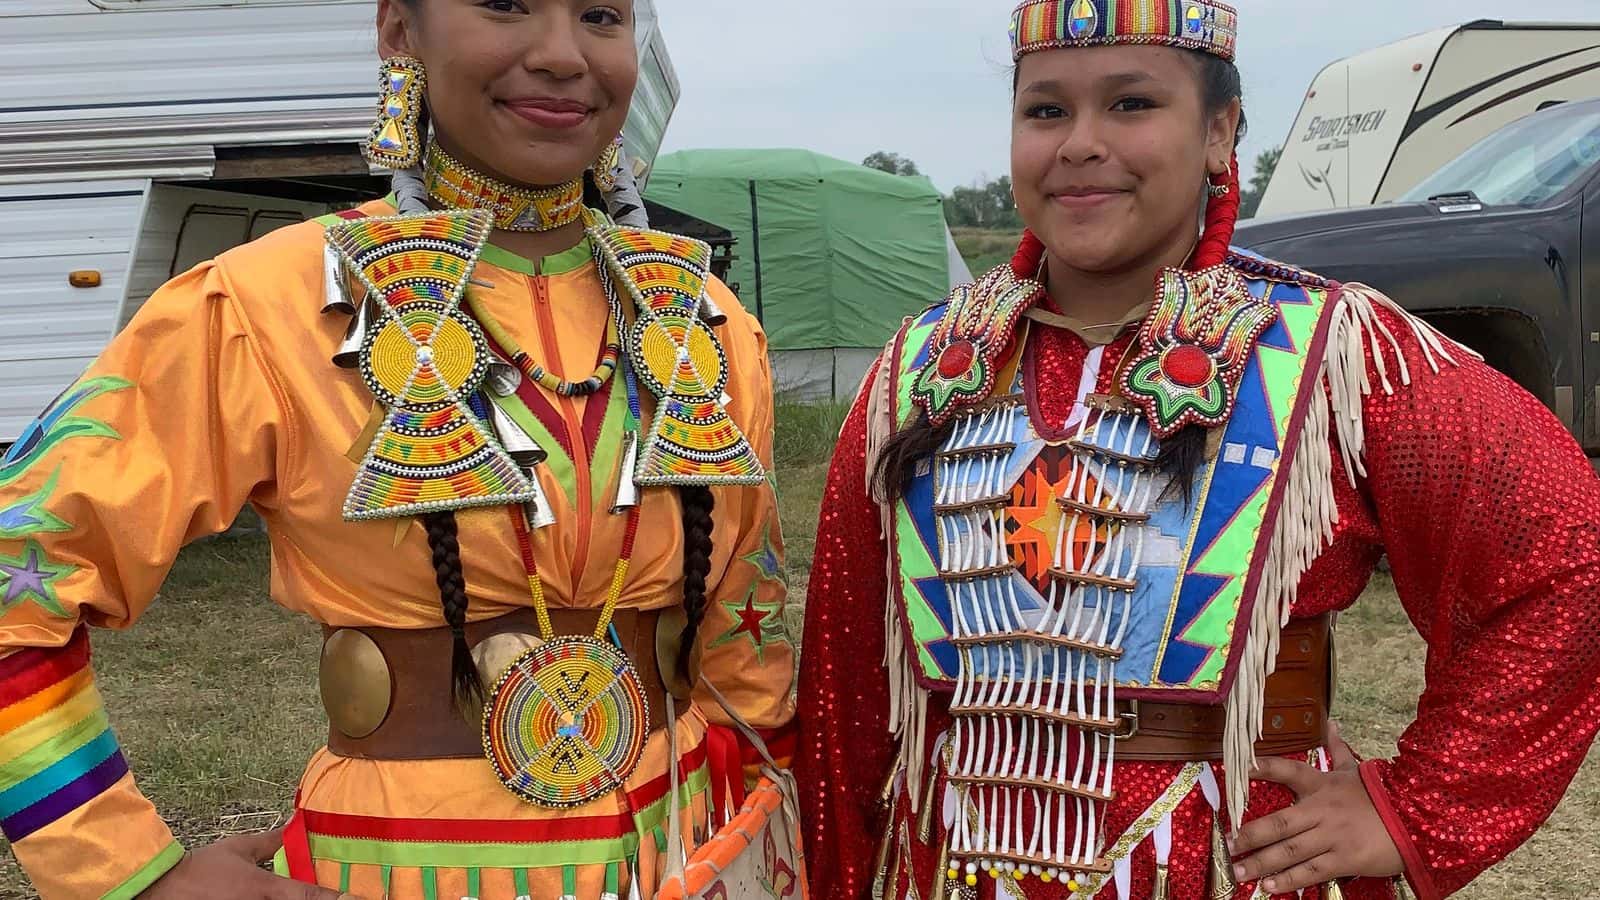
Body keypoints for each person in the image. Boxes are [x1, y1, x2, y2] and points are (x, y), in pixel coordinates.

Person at [795, 2, 1600, 899]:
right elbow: (846, 697)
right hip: (952, 863)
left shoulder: (1331, 357)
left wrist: (1418, 808)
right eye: (1046, 110)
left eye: (1133, 104)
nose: (1080, 144)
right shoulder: (919, 374)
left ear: (1220, 132)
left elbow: (1563, 560)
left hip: (1225, 863)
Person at [0, 1, 799, 897]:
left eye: (601, 16)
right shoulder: (267, 303)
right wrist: (131, 874)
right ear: (398, 31)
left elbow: (745, 633)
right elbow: (14, 574)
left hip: (685, 847)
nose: (564, 56)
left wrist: (769, 822)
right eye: (505, 3)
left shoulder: (710, 324)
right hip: (398, 864)